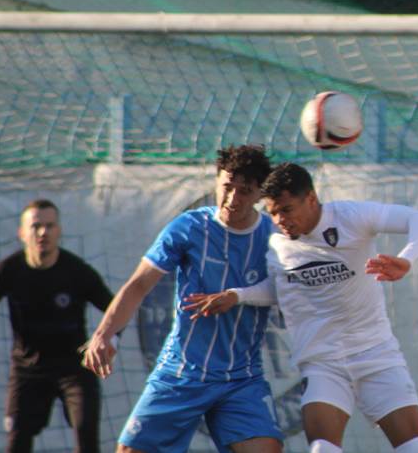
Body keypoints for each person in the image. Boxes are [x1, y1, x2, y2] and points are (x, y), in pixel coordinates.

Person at [184, 162, 418, 453]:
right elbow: (281, 289)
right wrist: (237, 295)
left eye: (287, 209)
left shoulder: (351, 216)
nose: (280, 220)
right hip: (322, 363)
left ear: (311, 199)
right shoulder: (278, 243)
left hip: (375, 354)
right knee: (322, 449)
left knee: (413, 449)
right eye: (273, 212)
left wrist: (406, 259)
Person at [82, 144, 283, 453]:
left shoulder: (274, 238)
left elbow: (287, 291)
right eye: (227, 186)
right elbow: (138, 285)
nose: (232, 199)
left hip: (241, 379)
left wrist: (238, 297)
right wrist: (103, 334)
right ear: (217, 181)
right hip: (182, 373)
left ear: (260, 194)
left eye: (244, 191)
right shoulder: (189, 228)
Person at [0, 199, 113, 453]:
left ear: (59, 231)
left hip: (75, 370)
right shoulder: (8, 270)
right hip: (27, 370)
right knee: (17, 440)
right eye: (36, 226)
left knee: (86, 436)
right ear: (22, 233)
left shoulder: (78, 272)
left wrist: (108, 340)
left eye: (49, 226)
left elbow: (116, 309)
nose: (43, 232)